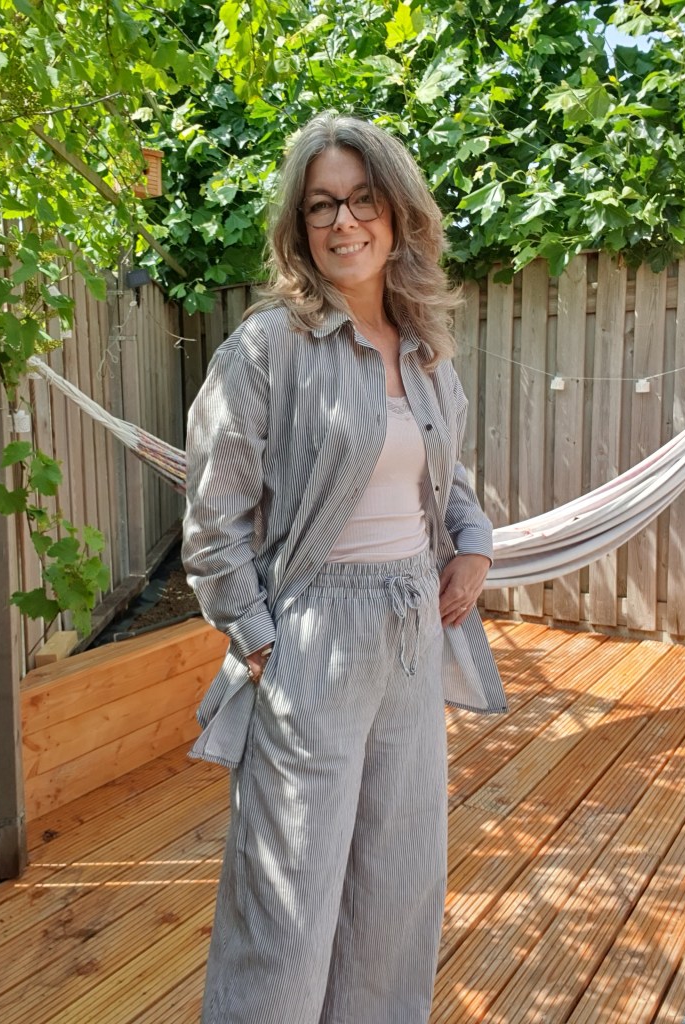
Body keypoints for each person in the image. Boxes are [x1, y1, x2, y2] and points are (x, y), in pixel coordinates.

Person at [181, 112, 507, 1024]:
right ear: (300, 225)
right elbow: (212, 520)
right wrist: (258, 639)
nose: (344, 222)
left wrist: (474, 548)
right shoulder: (266, 349)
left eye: (363, 200)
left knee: (396, 882)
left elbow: (449, 486)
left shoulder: (426, 350)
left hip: (412, 632)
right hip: (310, 640)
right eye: (322, 205)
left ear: (397, 215)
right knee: (287, 900)